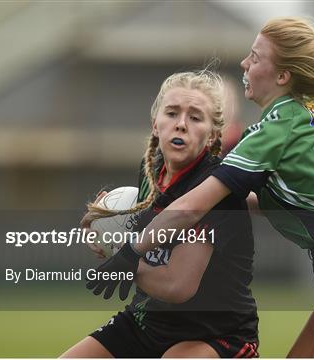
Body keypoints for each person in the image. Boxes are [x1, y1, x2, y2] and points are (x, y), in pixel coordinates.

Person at [88, 17, 314, 357]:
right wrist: (128, 215)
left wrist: (130, 252)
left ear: (282, 76)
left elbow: (196, 204)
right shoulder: (311, 115)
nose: (245, 64)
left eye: (255, 57)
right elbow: (260, 200)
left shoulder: (273, 128)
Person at [62, 70, 259, 358]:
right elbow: (137, 240)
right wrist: (104, 227)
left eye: (195, 117)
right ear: (156, 124)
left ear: (213, 134)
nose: (181, 124)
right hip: (148, 323)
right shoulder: (151, 172)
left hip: (216, 335)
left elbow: (176, 285)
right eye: (172, 113)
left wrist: (121, 254)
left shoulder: (216, 190)